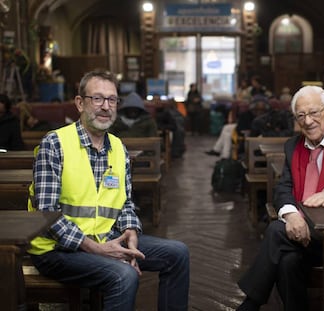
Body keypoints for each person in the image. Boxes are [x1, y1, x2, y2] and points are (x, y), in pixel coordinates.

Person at [27, 70, 190, 311]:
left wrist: (131, 233)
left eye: (112, 100)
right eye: (98, 99)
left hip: (105, 238)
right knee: (124, 275)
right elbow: (47, 214)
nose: (106, 106)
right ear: (80, 103)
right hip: (58, 250)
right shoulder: (55, 144)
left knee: (178, 253)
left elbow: (125, 204)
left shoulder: (118, 148)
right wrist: (97, 249)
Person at [236, 85, 324, 311]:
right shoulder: (293, 145)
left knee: (274, 230)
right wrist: (292, 215)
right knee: (287, 262)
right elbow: (284, 188)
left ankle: (251, 303)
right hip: (301, 236)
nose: (307, 121)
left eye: (314, 113)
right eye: (301, 115)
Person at [205, 95, 269, 159]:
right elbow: (241, 126)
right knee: (226, 128)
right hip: (245, 129)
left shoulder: (267, 116)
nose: (259, 111)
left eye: (261, 109)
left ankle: (223, 154)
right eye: (257, 108)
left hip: (249, 133)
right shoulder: (247, 114)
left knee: (227, 134)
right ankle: (218, 150)